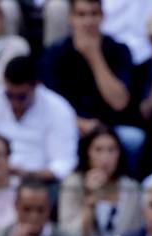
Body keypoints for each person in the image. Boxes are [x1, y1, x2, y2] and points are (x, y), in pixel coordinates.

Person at [0, 55, 80, 183]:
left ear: (36, 85)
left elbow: (63, 163)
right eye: (9, 95)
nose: (15, 103)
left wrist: (27, 175)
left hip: (38, 184)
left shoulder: (58, 108)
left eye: (21, 97)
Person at [59, 126, 141, 236]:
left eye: (111, 150)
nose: (105, 157)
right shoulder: (72, 184)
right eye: (98, 150)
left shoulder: (132, 189)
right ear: (87, 153)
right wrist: (90, 201)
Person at [40, 0, 134, 139]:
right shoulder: (54, 53)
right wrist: (80, 123)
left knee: (133, 138)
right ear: (71, 18)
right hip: (68, 126)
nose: (88, 21)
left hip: (109, 129)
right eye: (81, 15)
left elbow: (119, 102)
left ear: (102, 16)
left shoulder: (119, 50)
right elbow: (49, 104)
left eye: (93, 14)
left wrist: (94, 56)